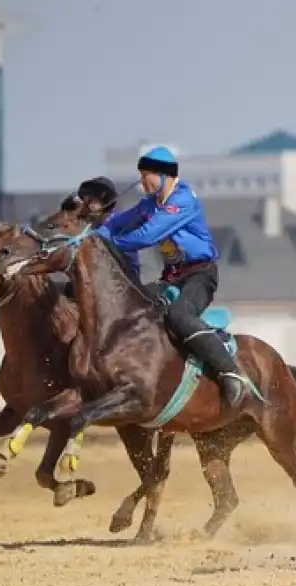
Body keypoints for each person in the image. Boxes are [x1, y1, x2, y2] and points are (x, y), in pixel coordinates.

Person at [93, 145, 248, 408]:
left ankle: (229, 372)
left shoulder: (183, 201)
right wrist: (90, 231)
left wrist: (110, 243)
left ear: (165, 175)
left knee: (180, 315)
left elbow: (147, 235)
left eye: (146, 176)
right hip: (172, 276)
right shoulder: (150, 204)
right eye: (140, 175)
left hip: (200, 275)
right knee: (133, 306)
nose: (142, 182)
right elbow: (119, 223)